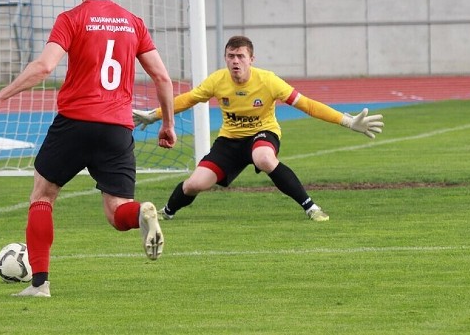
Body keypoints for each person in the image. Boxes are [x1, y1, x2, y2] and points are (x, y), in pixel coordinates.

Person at [0, 0, 177, 298]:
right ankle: (141, 215)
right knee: (117, 213)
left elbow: (43, 67)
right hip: (117, 127)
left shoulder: (71, 18)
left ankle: (40, 285)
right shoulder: (133, 22)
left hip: (75, 122)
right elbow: (162, 76)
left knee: (43, 195)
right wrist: (167, 124)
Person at [133, 35, 384, 223]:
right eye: (230, 56)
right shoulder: (217, 80)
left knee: (264, 158)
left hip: (263, 134)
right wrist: (155, 115)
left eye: (240, 56)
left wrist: (347, 121)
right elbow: (188, 99)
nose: (235, 61)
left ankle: (311, 207)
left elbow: (306, 104)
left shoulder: (268, 81)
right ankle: (167, 213)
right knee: (194, 184)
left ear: (251, 59)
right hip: (229, 141)